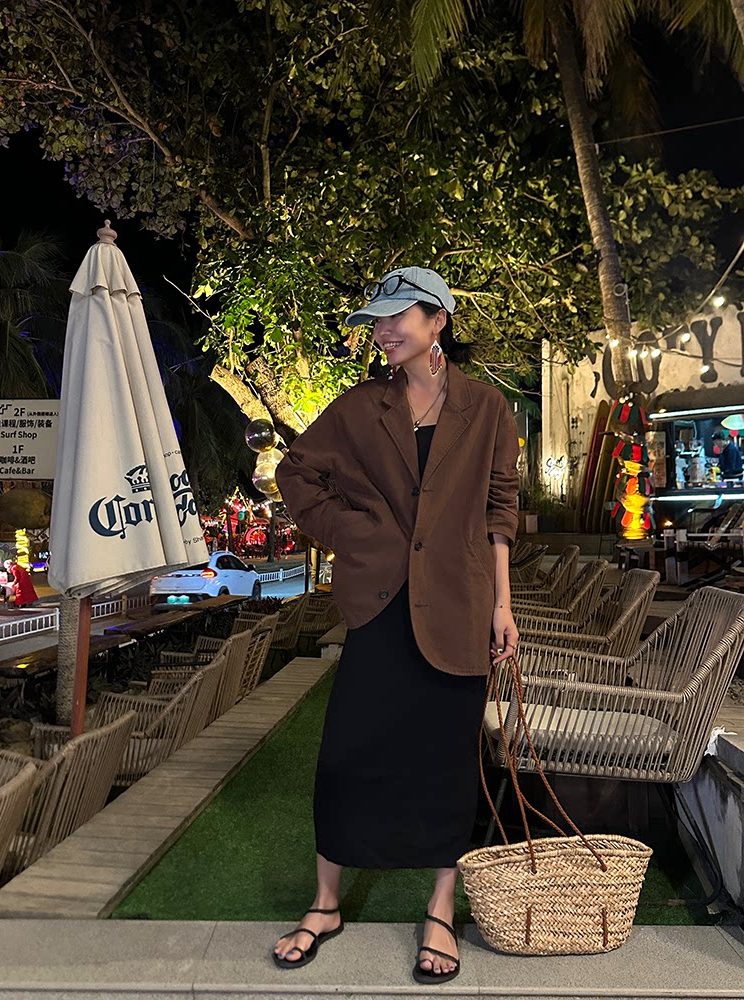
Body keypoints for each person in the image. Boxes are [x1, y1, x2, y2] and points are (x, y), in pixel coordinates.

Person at [272, 266, 520, 984]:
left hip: (459, 604)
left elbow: (500, 508)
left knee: (447, 760)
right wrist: (358, 534)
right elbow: (296, 475)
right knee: (345, 756)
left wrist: (503, 604)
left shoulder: (487, 407)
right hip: (379, 605)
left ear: (437, 319)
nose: (382, 330)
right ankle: (325, 903)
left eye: (396, 316)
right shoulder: (360, 406)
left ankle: (440, 909)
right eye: (376, 320)